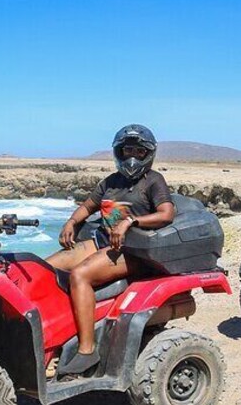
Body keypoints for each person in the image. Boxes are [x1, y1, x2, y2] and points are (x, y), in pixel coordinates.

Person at [46, 124, 175, 376]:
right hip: (102, 241)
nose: (132, 157)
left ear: (148, 153)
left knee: (80, 275)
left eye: (139, 151)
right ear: (118, 151)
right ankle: (53, 334)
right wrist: (71, 222)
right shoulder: (110, 183)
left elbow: (166, 213)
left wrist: (131, 221)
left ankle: (86, 350)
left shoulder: (153, 181)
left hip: (134, 251)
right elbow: (87, 206)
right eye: (127, 150)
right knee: (45, 268)